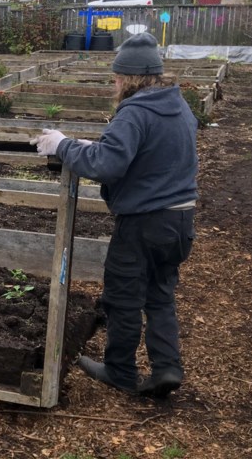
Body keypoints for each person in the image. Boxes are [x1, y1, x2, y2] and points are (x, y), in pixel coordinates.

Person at [31, 32, 197, 398]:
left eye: (116, 77)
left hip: (144, 222)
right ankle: (167, 367)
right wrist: (97, 146)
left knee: (123, 296)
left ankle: (120, 371)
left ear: (127, 78)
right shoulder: (177, 106)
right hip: (181, 220)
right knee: (160, 295)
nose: (114, 83)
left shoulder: (135, 111)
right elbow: (151, 155)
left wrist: (64, 144)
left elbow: (107, 165)